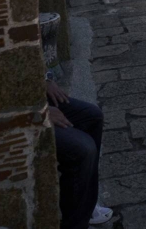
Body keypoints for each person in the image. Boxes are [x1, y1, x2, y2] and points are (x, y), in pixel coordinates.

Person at [47, 78, 113, 228]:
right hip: (21, 113)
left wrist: (45, 79)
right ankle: (75, 224)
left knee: (93, 116)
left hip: (37, 100)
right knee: (83, 149)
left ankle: (86, 206)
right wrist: (40, 112)